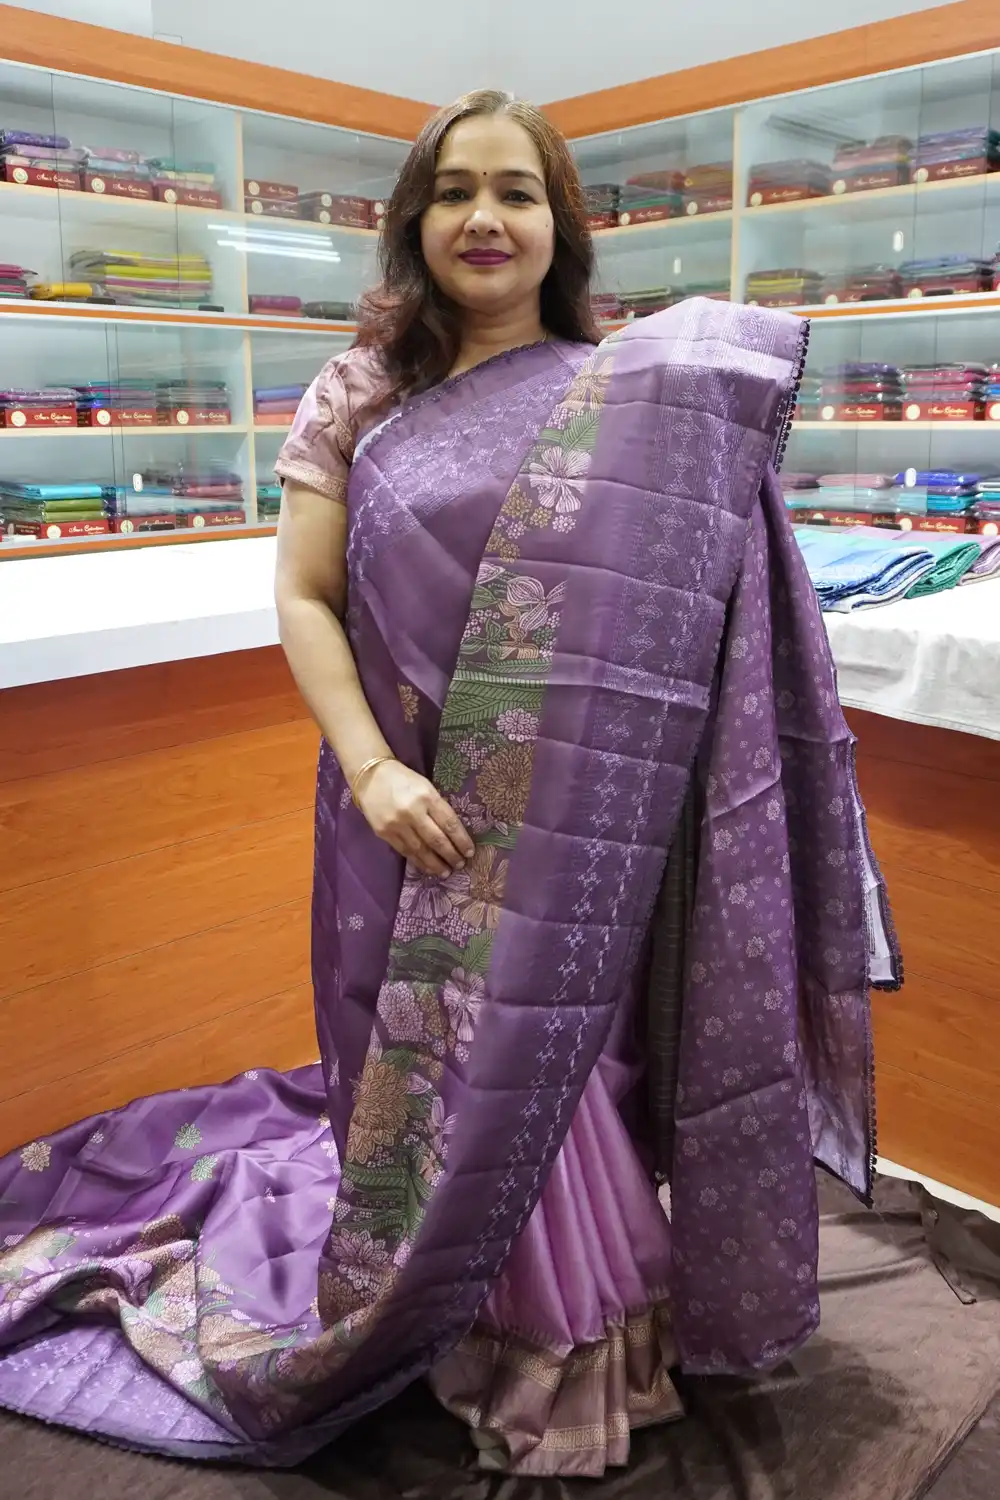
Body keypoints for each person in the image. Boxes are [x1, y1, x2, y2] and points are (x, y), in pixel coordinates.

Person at [0, 91, 899, 1476]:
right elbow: (305, 595)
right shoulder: (361, 392)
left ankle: (575, 1336)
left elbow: (705, 619)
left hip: (585, 823)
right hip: (400, 810)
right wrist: (368, 769)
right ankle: (458, 1313)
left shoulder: (627, 402)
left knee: (564, 1070)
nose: (486, 218)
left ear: (561, 225)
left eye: (517, 192)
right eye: (455, 191)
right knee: (425, 1070)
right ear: (415, 221)